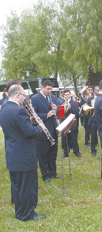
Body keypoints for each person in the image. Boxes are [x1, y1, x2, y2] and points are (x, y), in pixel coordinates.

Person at [0, 85, 46, 221]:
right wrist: (40, 128)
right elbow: (29, 132)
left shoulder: (4, 108)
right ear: (18, 95)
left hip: (13, 153)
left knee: (17, 186)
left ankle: (20, 212)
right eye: (24, 95)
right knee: (27, 186)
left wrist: (29, 122)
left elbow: (17, 128)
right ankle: (27, 214)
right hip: (24, 155)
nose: (26, 98)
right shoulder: (19, 111)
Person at [31, 80, 61, 183]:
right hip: (42, 131)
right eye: (48, 89)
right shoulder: (34, 99)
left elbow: (58, 113)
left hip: (53, 129)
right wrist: (46, 115)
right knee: (43, 154)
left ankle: (53, 172)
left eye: (51, 89)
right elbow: (33, 115)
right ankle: (45, 175)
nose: (49, 91)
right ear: (42, 87)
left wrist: (56, 110)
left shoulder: (53, 98)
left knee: (53, 153)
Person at [61, 90, 81, 158]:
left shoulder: (74, 102)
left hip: (72, 122)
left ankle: (76, 152)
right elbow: (60, 114)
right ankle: (65, 152)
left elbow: (76, 112)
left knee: (74, 138)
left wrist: (69, 107)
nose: (67, 96)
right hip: (64, 122)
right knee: (65, 139)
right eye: (65, 95)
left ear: (70, 94)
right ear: (63, 95)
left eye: (68, 94)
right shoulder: (61, 102)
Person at [87, 86, 100, 157]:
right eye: (97, 90)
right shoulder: (90, 98)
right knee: (93, 135)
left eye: (99, 90)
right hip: (93, 117)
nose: (98, 92)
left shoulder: (101, 98)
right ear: (94, 91)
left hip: (100, 118)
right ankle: (93, 150)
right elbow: (87, 108)